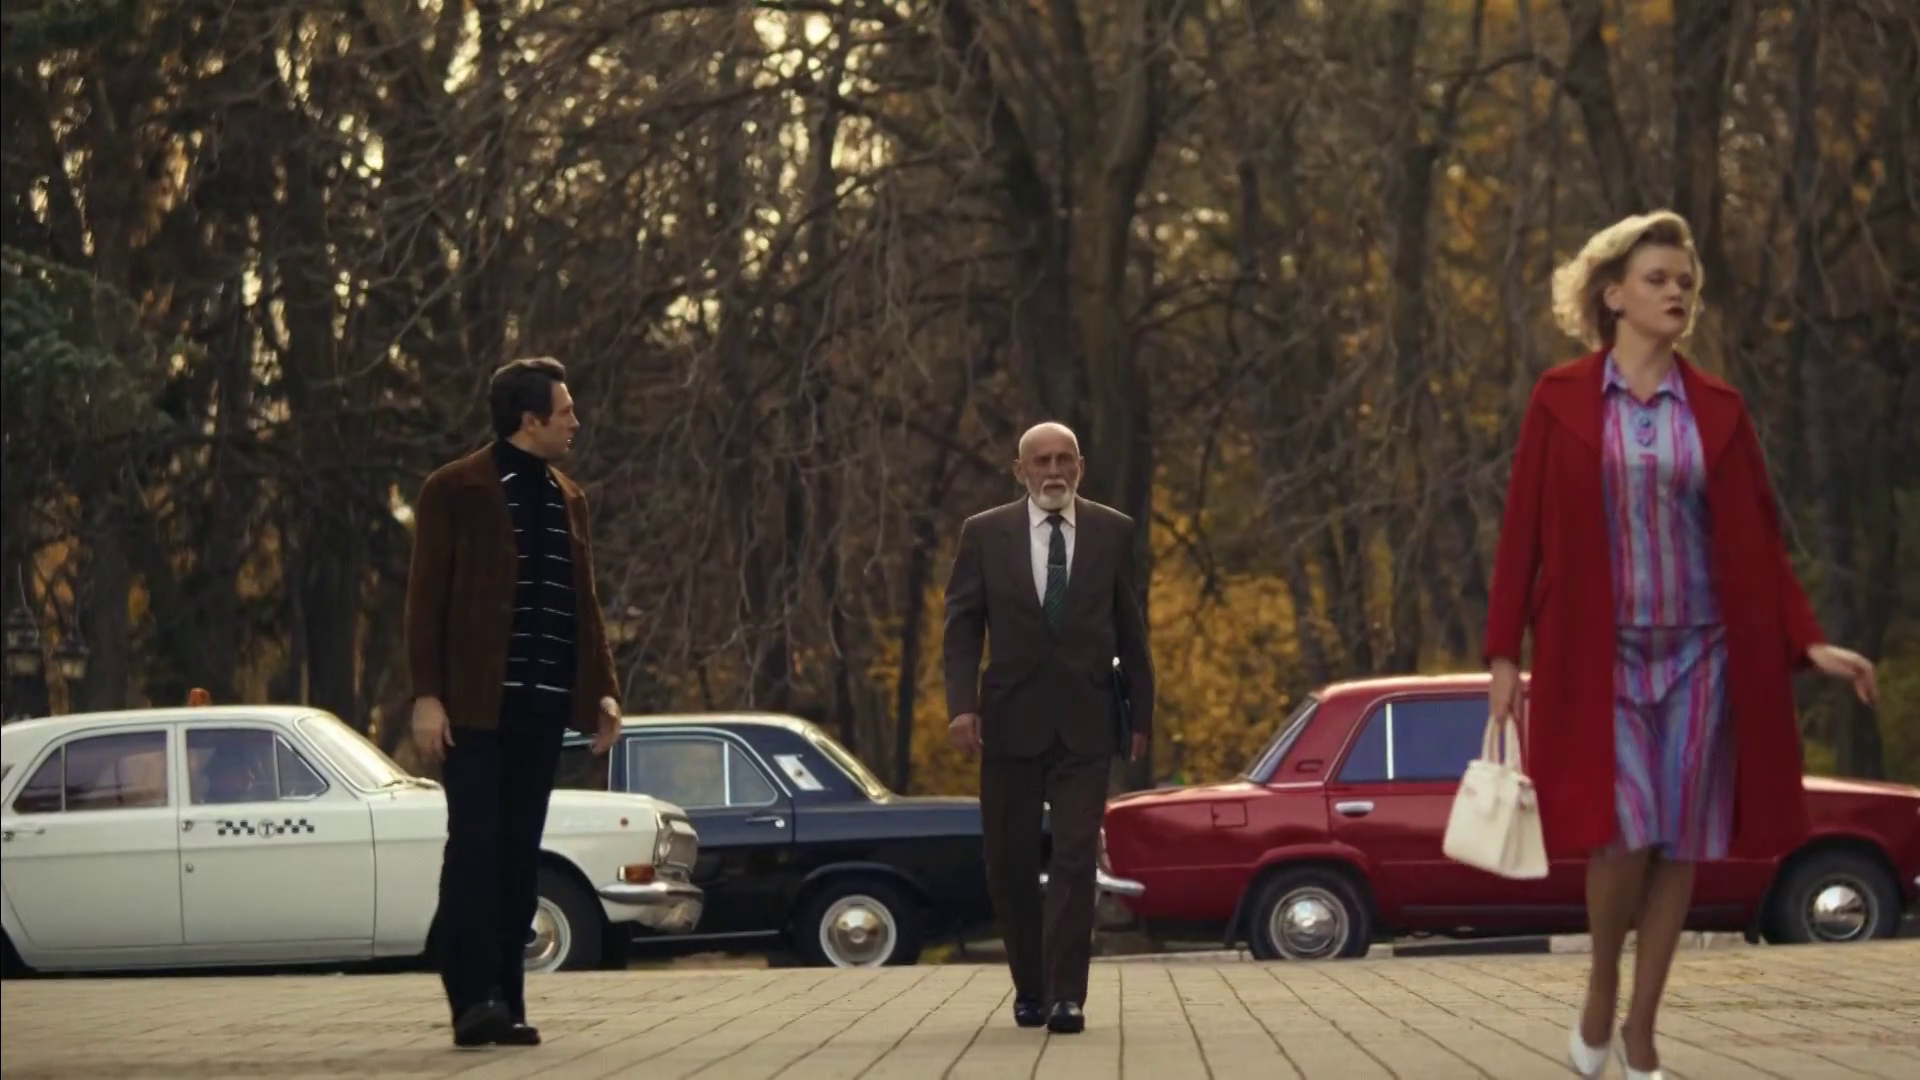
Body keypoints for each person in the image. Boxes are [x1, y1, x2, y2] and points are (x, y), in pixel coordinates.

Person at [1484, 211, 1878, 1080]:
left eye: (1685, 283)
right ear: (1613, 295)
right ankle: (1600, 987)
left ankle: (1642, 1030)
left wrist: (1809, 642)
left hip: (1704, 653)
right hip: (1604, 657)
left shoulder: (1719, 410)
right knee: (1625, 832)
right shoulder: (1559, 399)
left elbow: (1761, 542)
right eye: (1658, 279)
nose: (1676, 294)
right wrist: (1504, 654)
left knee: (1681, 840)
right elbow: (1522, 533)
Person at [405, 356, 624, 1049]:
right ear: (530, 420)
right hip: (474, 708)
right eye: (565, 411)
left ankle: (507, 999)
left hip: (543, 708)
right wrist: (428, 696)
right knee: (475, 850)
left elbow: (584, 605)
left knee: (518, 858)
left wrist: (603, 692)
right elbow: (425, 600)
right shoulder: (455, 489)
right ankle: (473, 1001)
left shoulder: (569, 498)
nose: (575, 422)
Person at [941, 421, 1155, 1035]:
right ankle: (1030, 987)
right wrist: (961, 707)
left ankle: (1067, 997)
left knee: (1074, 858)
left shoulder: (1113, 531)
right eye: (1042, 461)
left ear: (1080, 467)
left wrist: (1141, 713)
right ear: (1021, 471)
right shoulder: (985, 534)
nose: (1054, 471)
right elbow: (962, 627)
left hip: (1087, 723)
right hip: (1008, 724)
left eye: (1065, 459)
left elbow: (1131, 627)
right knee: (1009, 864)